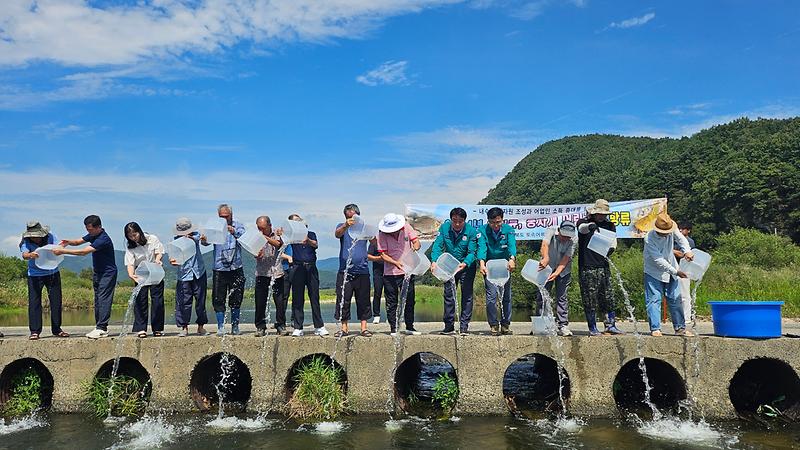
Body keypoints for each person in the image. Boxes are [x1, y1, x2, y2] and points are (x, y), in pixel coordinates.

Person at [53, 215, 117, 339]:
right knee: (98, 300)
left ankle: (102, 328)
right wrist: (68, 242)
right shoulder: (93, 235)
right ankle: (99, 327)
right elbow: (78, 242)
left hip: (108, 273)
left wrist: (63, 251)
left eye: (90, 230)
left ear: (99, 227)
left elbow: (83, 252)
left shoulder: (103, 239)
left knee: (104, 299)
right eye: (87, 230)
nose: (89, 232)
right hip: (98, 272)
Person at [576, 199, 624, 336]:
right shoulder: (584, 223)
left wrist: (611, 249)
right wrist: (590, 226)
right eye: (599, 214)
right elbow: (581, 229)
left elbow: (613, 241)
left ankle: (610, 324)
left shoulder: (610, 225)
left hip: (603, 264)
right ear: (594, 213)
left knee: (608, 296)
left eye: (604, 214)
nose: (602, 216)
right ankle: (592, 327)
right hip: (588, 266)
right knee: (590, 297)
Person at [430, 207, 479, 336]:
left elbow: (472, 252)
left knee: (467, 295)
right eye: (454, 221)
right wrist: (434, 261)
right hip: (449, 266)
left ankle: (464, 326)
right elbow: (437, 246)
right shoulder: (444, 228)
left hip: (466, 266)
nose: (457, 224)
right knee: (448, 294)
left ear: (464, 221)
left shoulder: (471, 231)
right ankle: (448, 325)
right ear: (451, 219)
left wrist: (466, 262)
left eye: (460, 221)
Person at [644, 213, 694, 337]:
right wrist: (676, 272)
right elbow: (658, 259)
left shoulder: (672, 228)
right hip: (653, 271)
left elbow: (682, 239)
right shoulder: (649, 238)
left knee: (675, 298)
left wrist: (687, 251)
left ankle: (680, 328)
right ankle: (655, 328)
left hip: (672, 268)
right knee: (654, 299)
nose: (667, 233)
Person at [201, 204, 245, 336]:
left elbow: (244, 239)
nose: (224, 219)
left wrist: (233, 231)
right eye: (222, 217)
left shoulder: (239, 226)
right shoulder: (214, 227)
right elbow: (205, 242)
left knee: (236, 298)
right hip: (219, 268)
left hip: (236, 267)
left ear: (231, 215)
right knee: (218, 298)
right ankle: (221, 326)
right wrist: (204, 240)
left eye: (227, 216)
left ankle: (235, 326)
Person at [19, 221, 68, 340]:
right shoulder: (26, 240)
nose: (35, 238)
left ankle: (57, 329)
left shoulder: (51, 236)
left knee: (56, 301)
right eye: (33, 236)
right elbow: (24, 255)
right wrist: (31, 255)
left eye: (37, 236)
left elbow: (59, 246)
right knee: (34, 302)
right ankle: (35, 331)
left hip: (52, 272)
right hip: (34, 275)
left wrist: (60, 248)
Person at [377, 212, 421, 336]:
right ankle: (394, 328)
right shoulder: (381, 234)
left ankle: (410, 327)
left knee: (410, 299)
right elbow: (382, 254)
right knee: (392, 301)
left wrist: (415, 247)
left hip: (407, 271)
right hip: (390, 273)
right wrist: (395, 262)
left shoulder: (407, 227)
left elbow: (416, 242)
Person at [333, 204, 373, 337]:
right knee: (343, 300)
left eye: (352, 216)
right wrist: (346, 225)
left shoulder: (365, 228)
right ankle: (344, 328)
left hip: (362, 270)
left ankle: (364, 328)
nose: (351, 219)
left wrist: (373, 237)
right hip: (345, 271)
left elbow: (375, 244)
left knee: (363, 300)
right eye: (348, 217)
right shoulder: (342, 226)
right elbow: (337, 234)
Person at [477, 207, 516, 336]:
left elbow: (512, 246)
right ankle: (494, 324)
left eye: (498, 222)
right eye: (492, 222)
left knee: (506, 296)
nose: (495, 225)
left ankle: (505, 324)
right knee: (491, 297)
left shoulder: (508, 230)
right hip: (490, 267)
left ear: (502, 220)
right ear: (488, 221)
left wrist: (512, 259)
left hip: (505, 266)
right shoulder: (482, 231)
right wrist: (482, 263)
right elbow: (482, 247)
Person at [288, 214, 328, 337]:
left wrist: (308, 240)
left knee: (314, 297)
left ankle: (319, 326)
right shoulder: (290, 235)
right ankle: (298, 327)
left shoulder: (311, 234)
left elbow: (315, 244)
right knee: (297, 298)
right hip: (297, 267)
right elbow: (280, 243)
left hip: (311, 267)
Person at [124, 222, 165, 338]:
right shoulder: (130, 246)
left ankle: (157, 328)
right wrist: (131, 275)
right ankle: (141, 328)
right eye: (130, 236)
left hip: (154, 268)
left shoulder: (152, 239)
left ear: (139, 231)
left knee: (157, 300)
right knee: (140, 299)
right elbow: (130, 263)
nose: (133, 237)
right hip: (140, 271)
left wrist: (158, 260)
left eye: (135, 234)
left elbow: (159, 252)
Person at [536, 220, 577, 337]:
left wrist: (557, 272)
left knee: (562, 297)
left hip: (564, 270)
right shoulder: (551, 230)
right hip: (546, 267)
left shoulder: (574, 239)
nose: (565, 239)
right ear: (559, 231)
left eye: (567, 237)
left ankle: (563, 325)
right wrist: (545, 258)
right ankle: (540, 324)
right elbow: (544, 245)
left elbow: (566, 257)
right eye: (563, 236)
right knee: (542, 296)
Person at [169, 218, 208, 337]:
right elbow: (173, 258)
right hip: (184, 274)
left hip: (198, 272)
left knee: (200, 301)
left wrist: (194, 238)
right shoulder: (175, 241)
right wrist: (172, 262)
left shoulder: (196, 236)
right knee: (183, 302)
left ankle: (201, 327)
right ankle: (184, 327)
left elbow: (201, 241)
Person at [254, 215, 286, 337]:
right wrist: (257, 254)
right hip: (262, 272)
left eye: (263, 228)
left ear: (269, 226)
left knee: (279, 301)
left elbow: (278, 244)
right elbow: (254, 251)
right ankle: (260, 326)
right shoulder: (257, 236)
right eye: (259, 228)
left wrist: (264, 237)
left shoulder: (277, 233)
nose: (260, 231)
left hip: (276, 272)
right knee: (260, 301)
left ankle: (280, 325)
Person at [673, 221, 696, 324]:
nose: (681, 230)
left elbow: (683, 255)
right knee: (676, 295)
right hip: (674, 269)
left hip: (685, 270)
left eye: (683, 229)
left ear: (688, 231)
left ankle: (687, 317)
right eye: (680, 228)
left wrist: (673, 251)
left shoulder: (689, 242)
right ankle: (679, 316)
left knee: (685, 295)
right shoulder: (675, 240)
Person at [368, 239, 384, 324]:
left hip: (390, 271)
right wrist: (379, 258)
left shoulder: (391, 240)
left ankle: (390, 316)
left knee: (391, 294)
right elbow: (368, 256)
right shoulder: (375, 242)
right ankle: (376, 315)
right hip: (378, 272)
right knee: (377, 293)